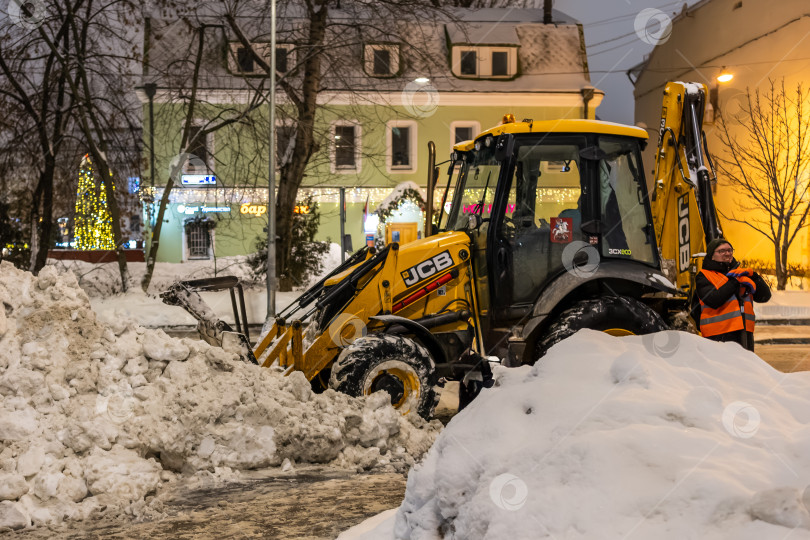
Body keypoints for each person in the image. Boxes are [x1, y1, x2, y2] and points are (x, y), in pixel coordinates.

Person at [696, 238, 771, 351]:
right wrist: (735, 282)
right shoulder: (704, 276)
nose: (727, 253)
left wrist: (755, 277)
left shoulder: (741, 273)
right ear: (712, 255)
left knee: (745, 367)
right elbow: (713, 300)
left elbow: (764, 297)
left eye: (730, 250)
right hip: (718, 335)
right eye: (722, 251)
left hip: (745, 332)